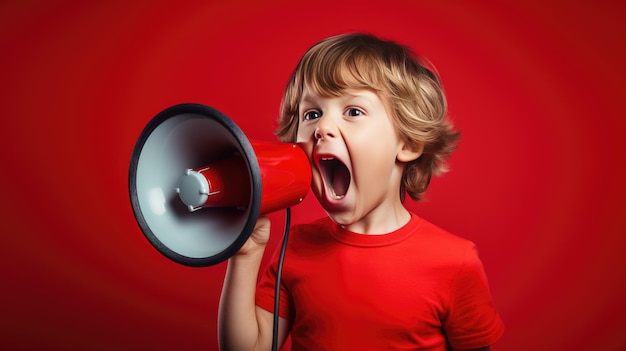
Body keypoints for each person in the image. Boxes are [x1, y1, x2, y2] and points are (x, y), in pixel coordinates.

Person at [218, 33, 504, 351]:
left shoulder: (455, 262)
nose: (322, 128)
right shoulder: (296, 249)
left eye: (353, 112)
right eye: (311, 114)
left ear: (408, 143)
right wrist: (245, 255)